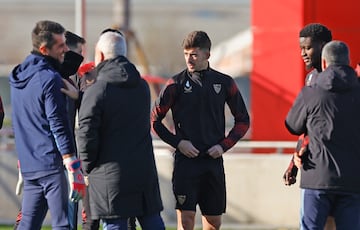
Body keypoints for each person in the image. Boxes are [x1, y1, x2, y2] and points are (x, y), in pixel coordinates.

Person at [151, 30, 250, 230]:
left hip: (212, 164)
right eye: (186, 54)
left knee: (214, 222)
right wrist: (178, 143)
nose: (189, 59)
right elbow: (154, 120)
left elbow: (243, 121)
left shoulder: (224, 83)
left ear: (207, 55)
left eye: (194, 54)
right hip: (185, 164)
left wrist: (223, 146)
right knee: (186, 220)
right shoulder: (175, 84)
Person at [77, 28, 165, 230]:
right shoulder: (142, 87)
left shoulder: (97, 90)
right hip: (143, 170)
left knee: (114, 223)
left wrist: (87, 168)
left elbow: (86, 133)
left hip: (109, 174)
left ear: (99, 55)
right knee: (152, 221)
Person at [9, 20, 86, 229]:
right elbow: (57, 124)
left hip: (30, 165)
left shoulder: (17, 75)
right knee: (63, 224)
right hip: (51, 165)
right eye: (61, 46)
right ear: (44, 49)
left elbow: (22, 121)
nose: (65, 50)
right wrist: (73, 167)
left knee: (28, 224)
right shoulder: (49, 78)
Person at [285, 40, 360, 229]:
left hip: (316, 178)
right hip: (353, 180)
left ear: (324, 63)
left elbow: (293, 126)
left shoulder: (311, 92)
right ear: (348, 62)